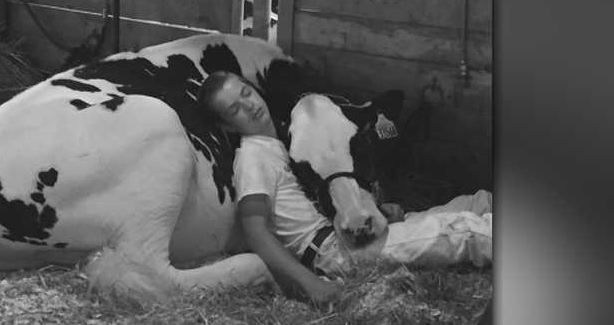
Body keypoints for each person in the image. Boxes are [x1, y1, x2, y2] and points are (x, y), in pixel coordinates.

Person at [198, 70, 493, 305]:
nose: (249, 106)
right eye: (235, 109)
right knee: (466, 231)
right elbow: (255, 231)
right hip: (333, 254)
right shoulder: (252, 157)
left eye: (246, 93)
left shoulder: (285, 138)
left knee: (475, 201)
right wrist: (310, 284)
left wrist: (374, 208)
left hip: (346, 236)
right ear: (227, 127)